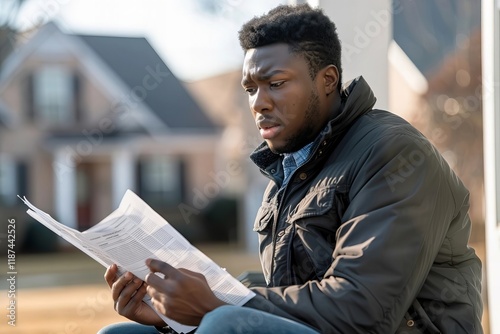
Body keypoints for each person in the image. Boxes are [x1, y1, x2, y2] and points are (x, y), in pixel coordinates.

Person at [98, 4, 483, 334]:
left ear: (327, 80)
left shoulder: (393, 153)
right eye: (251, 89)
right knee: (120, 332)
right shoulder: (292, 170)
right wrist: (173, 314)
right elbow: (289, 298)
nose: (259, 103)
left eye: (276, 83)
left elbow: (364, 308)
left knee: (224, 325)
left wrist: (214, 305)